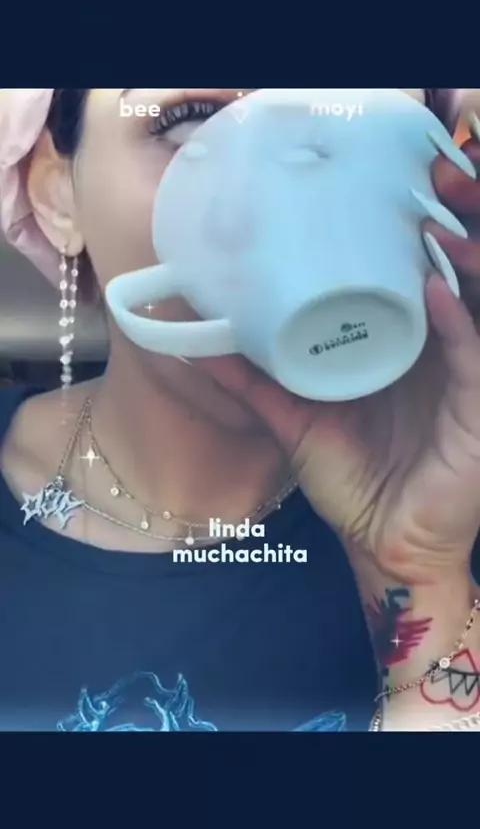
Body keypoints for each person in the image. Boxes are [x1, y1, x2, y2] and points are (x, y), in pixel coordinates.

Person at [0, 89, 479, 732]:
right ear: (59, 195)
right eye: (192, 121)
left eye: (353, 110)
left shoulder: (457, 499)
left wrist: (424, 579)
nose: (289, 201)